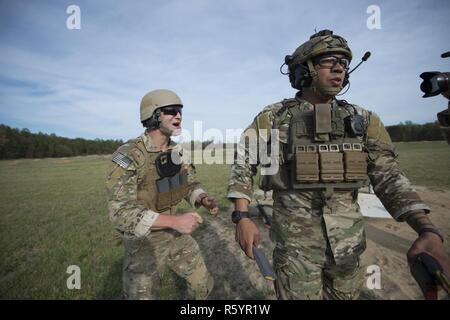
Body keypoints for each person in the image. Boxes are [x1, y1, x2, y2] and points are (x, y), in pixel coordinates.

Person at [227, 29, 450, 299]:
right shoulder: (272, 117)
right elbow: (243, 164)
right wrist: (242, 216)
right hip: (296, 250)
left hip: (349, 249)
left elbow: (389, 177)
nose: (338, 68)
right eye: (327, 61)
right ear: (304, 70)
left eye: (343, 63)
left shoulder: (364, 120)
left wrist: (426, 229)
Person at [106, 89, 219, 299]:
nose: (178, 115)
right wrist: (174, 221)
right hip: (144, 241)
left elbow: (189, 183)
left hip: (175, 234)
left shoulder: (177, 152)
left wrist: (203, 198)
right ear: (154, 115)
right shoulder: (128, 155)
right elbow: (120, 211)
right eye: (171, 111)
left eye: (180, 111)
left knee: (203, 286)